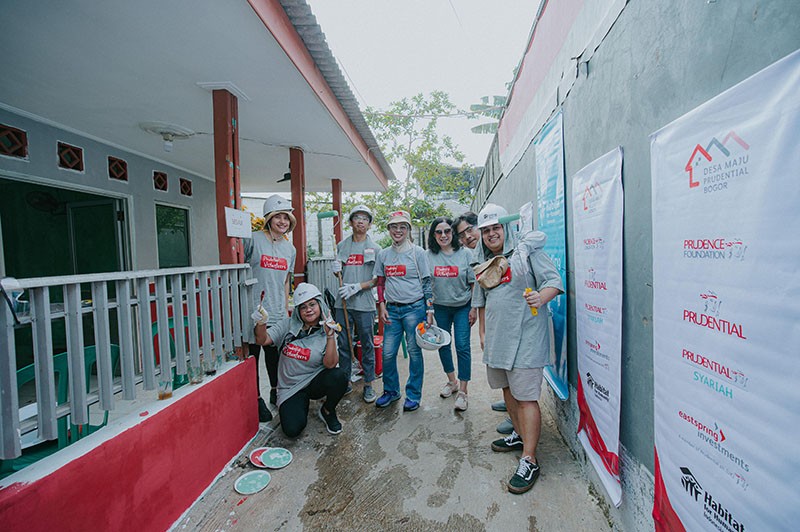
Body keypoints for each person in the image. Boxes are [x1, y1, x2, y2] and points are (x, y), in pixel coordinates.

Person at [472, 203, 563, 494]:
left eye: (496, 228)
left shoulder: (527, 251)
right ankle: (520, 435)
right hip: (498, 339)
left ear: (506, 227)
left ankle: (529, 459)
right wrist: (483, 333)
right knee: (508, 392)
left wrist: (541, 297)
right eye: (486, 230)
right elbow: (481, 300)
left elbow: (554, 281)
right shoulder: (485, 261)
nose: (491, 234)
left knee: (526, 398)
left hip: (526, 338)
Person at [253, 283, 348, 437]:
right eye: (303, 307)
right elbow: (262, 340)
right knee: (292, 430)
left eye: (312, 304)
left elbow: (330, 364)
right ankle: (299, 405)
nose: (308, 309)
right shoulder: (288, 325)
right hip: (291, 387)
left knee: (340, 376)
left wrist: (330, 336)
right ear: (298, 310)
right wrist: (261, 322)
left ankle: (327, 410)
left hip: (314, 382)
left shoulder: (328, 328)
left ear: (320, 305)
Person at [373, 210, 434, 412]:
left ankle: (413, 395)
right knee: (388, 353)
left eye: (402, 227)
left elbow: (427, 282)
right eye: (394, 226)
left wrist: (429, 310)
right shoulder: (383, 254)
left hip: (414, 309)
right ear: (389, 229)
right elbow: (380, 282)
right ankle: (391, 391)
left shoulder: (418, 253)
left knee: (414, 353)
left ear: (408, 229)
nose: (398, 230)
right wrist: (382, 305)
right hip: (392, 310)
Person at [244, 194, 297, 423]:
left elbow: (286, 281)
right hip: (252, 310)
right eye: (278, 217)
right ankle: (255, 399)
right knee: (252, 357)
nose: (283, 221)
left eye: (286, 218)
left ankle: (275, 391)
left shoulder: (290, 249)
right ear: (269, 218)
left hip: (277, 311)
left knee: (275, 357)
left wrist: (285, 309)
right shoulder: (252, 239)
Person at [458, 211, 509, 423]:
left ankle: (517, 417)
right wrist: (482, 331)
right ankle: (510, 405)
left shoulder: (509, 253)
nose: (467, 237)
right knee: (502, 371)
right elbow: (482, 295)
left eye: (470, 230)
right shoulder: (480, 256)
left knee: (515, 374)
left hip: (513, 324)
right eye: (462, 235)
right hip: (496, 324)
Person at [332, 205, 381, 403]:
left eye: (365, 218)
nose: (360, 221)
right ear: (351, 222)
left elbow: (377, 279)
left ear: (369, 224)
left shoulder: (376, 249)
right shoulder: (341, 246)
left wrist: (358, 287)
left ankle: (368, 383)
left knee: (367, 344)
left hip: (365, 304)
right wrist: (335, 270)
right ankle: (345, 381)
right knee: (343, 344)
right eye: (357, 217)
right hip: (343, 303)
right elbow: (339, 274)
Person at [426, 217, 475, 411]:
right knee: (443, 344)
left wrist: (474, 308)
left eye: (447, 231)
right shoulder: (428, 256)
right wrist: (429, 309)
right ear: (433, 235)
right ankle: (452, 381)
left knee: (462, 346)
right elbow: (426, 285)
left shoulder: (466, 254)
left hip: (463, 306)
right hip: (440, 307)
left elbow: (473, 283)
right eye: (439, 232)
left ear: (453, 233)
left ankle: (463, 391)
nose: (443, 235)